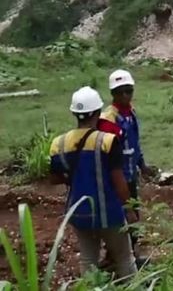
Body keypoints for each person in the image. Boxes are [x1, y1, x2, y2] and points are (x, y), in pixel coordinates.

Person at [49, 86, 137, 278]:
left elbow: (54, 177)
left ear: (74, 113)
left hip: (79, 211)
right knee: (124, 258)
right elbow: (118, 180)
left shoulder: (59, 143)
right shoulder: (108, 141)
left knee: (88, 260)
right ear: (98, 112)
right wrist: (130, 208)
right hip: (109, 211)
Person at [98, 69, 150, 263]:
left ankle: (130, 253)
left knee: (134, 213)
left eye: (128, 91)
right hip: (116, 176)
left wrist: (142, 164)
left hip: (130, 174)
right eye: (120, 92)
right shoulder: (108, 120)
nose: (125, 96)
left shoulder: (131, 112)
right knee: (120, 215)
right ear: (113, 94)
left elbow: (134, 143)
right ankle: (115, 256)